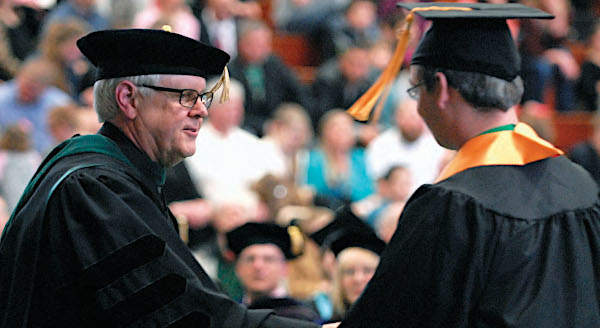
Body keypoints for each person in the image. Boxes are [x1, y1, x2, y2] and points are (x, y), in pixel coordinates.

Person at [0, 28, 324, 328]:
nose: (201, 110)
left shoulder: (112, 176)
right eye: (185, 95)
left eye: (203, 97)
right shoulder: (94, 189)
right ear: (128, 99)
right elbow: (177, 315)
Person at [338, 3, 600, 327]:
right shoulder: (583, 188)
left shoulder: (451, 207)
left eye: (416, 90)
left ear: (442, 89)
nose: (417, 106)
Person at [227, 222, 321, 323]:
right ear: (237, 268)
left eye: (268, 259)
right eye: (250, 259)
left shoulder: (300, 316)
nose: (258, 266)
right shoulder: (230, 314)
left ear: (284, 268)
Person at [0, 57, 74, 154]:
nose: (25, 92)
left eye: (32, 89)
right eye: (24, 85)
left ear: (45, 88)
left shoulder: (59, 105)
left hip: (46, 158)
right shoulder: (2, 97)